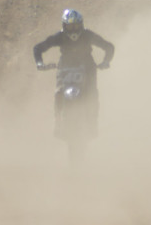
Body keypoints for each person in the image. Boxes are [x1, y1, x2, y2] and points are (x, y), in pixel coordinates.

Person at [33, 9, 114, 137]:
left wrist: (106, 61)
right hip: (65, 67)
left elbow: (108, 46)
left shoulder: (88, 35)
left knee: (92, 94)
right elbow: (38, 48)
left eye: (76, 26)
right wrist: (39, 63)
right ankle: (58, 121)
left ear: (81, 24)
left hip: (87, 68)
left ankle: (92, 124)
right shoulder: (59, 36)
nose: (73, 30)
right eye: (70, 27)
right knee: (59, 92)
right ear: (64, 26)